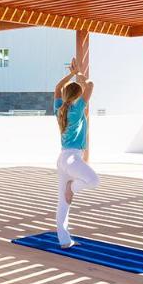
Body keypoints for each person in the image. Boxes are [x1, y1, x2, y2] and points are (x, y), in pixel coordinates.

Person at [53, 58, 98, 248]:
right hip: (72, 158)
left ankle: (64, 240)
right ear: (78, 96)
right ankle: (72, 188)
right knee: (94, 181)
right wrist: (79, 73)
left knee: (63, 203)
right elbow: (90, 84)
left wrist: (71, 74)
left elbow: (57, 88)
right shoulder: (78, 109)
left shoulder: (60, 108)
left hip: (63, 158)